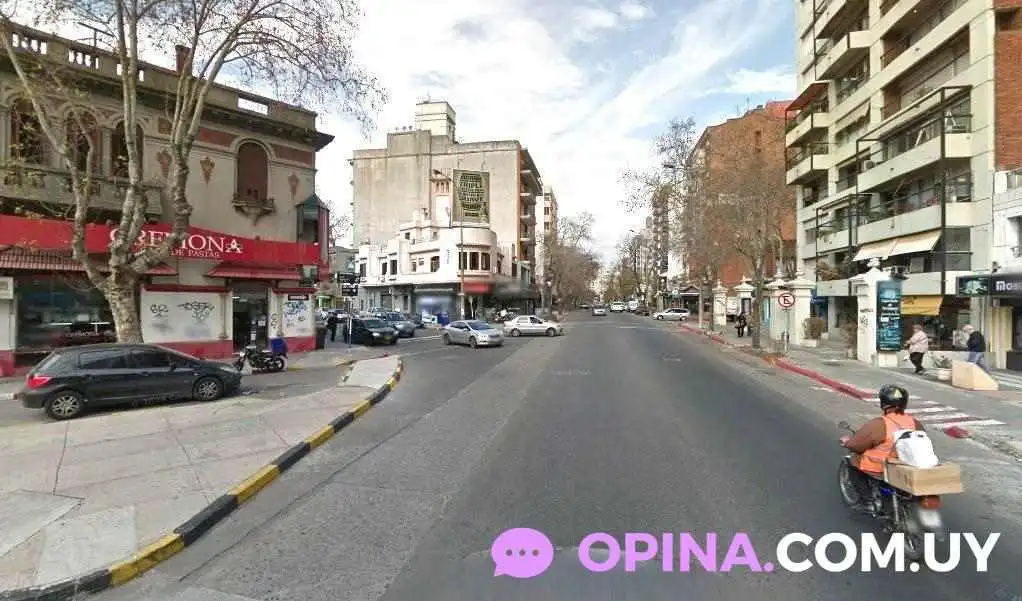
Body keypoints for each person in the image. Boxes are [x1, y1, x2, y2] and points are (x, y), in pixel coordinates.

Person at [839, 384, 925, 512]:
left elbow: (857, 445)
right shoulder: (915, 423)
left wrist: (848, 443)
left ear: (883, 403)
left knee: (853, 465)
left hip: (881, 468)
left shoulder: (880, 424)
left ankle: (867, 501)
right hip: (907, 466)